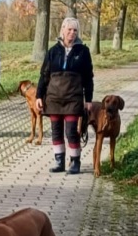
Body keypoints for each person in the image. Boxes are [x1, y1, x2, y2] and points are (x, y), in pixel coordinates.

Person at [35, 17, 94, 174]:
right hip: (53, 98)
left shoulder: (83, 52)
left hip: (73, 98)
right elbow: (44, 75)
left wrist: (88, 100)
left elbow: (88, 78)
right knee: (56, 130)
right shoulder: (53, 51)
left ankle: (75, 161)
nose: (72, 33)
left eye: (75, 30)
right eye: (69, 29)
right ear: (63, 30)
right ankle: (59, 161)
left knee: (71, 131)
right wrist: (39, 96)